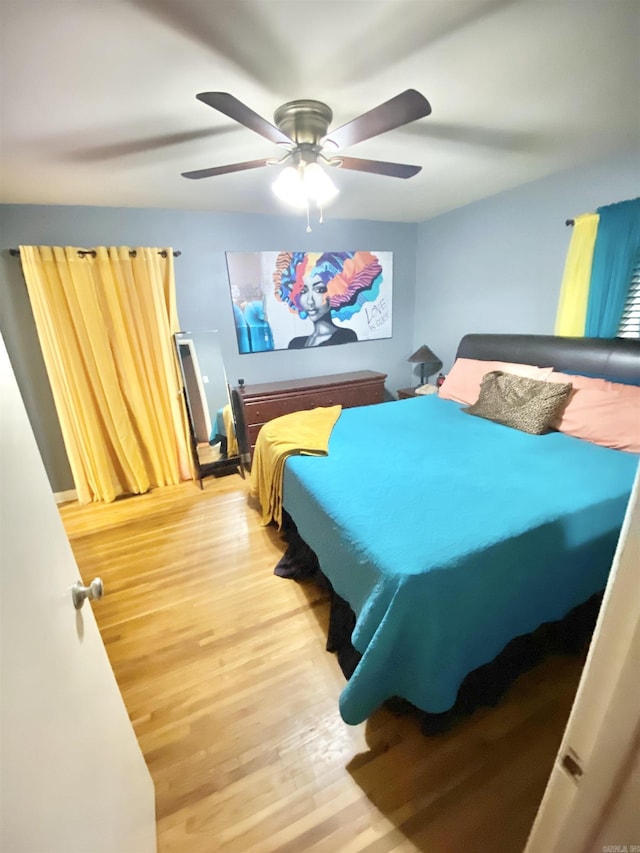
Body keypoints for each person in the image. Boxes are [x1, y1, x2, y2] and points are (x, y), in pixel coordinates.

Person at [273, 251, 382, 349]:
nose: (310, 301)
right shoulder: (295, 343)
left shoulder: (345, 337)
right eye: (303, 291)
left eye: (319, 290)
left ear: (336, 291)